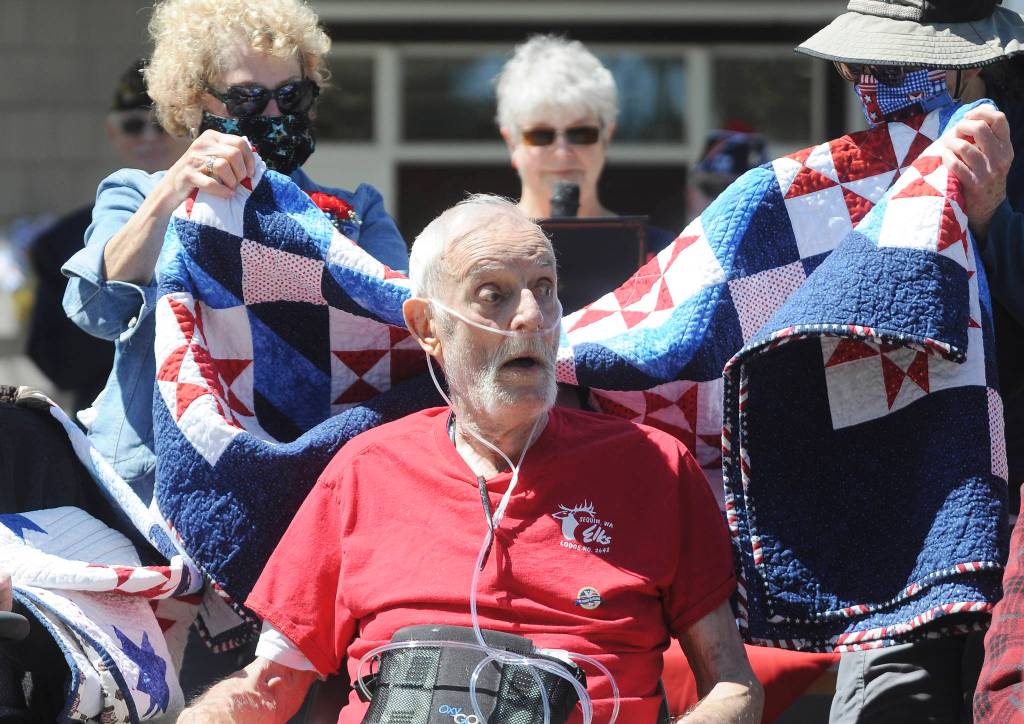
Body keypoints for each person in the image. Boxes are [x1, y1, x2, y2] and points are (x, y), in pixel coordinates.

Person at [177, 195, 764, 722]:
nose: (531, 316)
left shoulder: (654, 467)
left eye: (544, 288)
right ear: (428, 327)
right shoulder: (364, 470)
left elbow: (733, 686)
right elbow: (270, 685)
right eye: (494, 294)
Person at [60, 0, 408, 503]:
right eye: (247, 99)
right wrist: (170, 193)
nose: (273, 114)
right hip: (155, 473)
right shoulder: (138, 193)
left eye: (291, 95)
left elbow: (405, 331)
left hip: (308, 474)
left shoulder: (354, 212)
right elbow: (93, 310)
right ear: (194, 102)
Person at [795, 1, 1024, 722]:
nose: (871, 85)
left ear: (970, 68)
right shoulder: (855, 166)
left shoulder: (997, 149)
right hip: (901, 507)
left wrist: (993, 218)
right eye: (860, 68)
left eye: (892, 70)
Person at [27, 60, 185, 416]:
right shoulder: (63, 239)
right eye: (132, 125)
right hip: (112, 425)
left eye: (161, 124)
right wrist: (120, 309)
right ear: (113, 134)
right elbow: (54, 362)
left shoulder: (220, 215)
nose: (148, 137)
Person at [494, 35, 677, 253]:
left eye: (581, 133)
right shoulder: (478, 250)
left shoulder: (659, 253)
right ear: (512, 144)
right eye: (541, 135)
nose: (562, 152)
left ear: (606, 137)